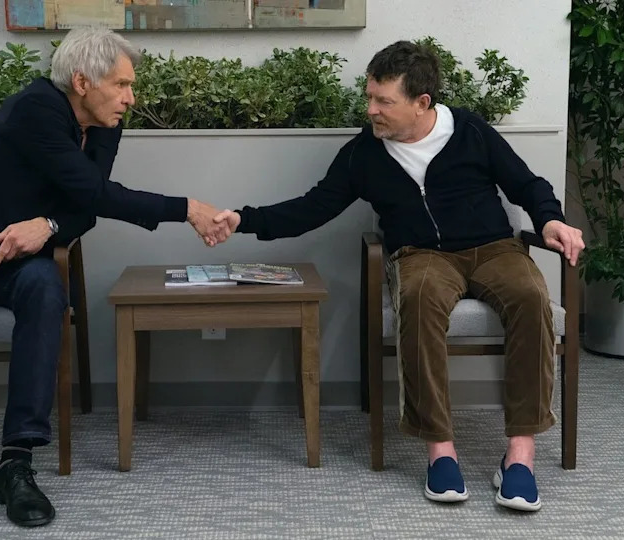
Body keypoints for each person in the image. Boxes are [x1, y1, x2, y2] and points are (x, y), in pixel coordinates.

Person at [0, 27, 230, 526]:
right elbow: (95, 194)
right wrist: (187, 208)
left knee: (47, 298)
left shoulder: (105, 122)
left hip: (24, 262)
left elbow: (86, 203)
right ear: (82, 81)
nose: (131, 96)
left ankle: (15, 463)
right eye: (122, 84)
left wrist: (50, 224)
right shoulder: (34, 108)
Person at [213, 40, 584, 512]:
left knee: (532, 297)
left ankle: (520, 456)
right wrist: (242, 219)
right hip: (421, 254)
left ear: (421, 103)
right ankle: (441, 452)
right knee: (421, 296)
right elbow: (312, 208)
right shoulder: (364, 154)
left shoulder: (469, 129)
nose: (371, 110)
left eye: (383, 101)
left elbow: (526, 183)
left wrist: (550, 218)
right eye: (370, 97)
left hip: (494, 248)